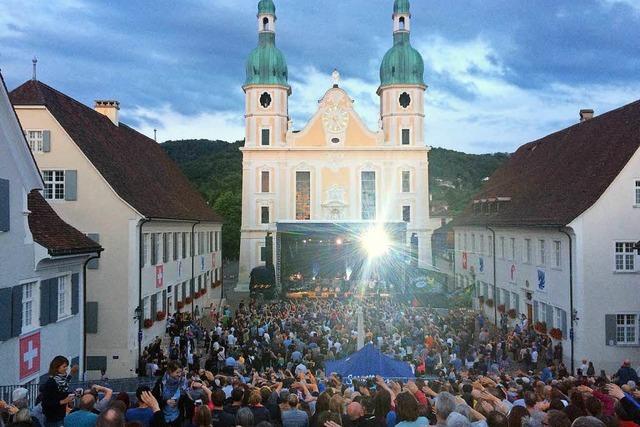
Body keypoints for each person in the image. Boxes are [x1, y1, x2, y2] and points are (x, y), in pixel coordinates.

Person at [40, 356, 77, 427]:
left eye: (67, 366)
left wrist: (73, 394)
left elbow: (63, 388)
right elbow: (46, 403)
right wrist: (63, 401)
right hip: (53, 418)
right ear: (57, 367)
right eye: (64, 367)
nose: (66, 369)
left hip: (60, 415)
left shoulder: (61, 380)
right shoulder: (51, 383)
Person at [152, 361, 189, 426]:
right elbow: (154, 400)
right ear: (170, 372)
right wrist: (166, 402)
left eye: (180, 372)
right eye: (177, 372)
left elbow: (185, 399)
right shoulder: (161, 383)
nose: (179, 374)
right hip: (162, 417)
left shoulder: (183, 382)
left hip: (177, 416)